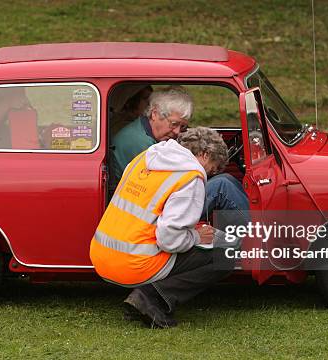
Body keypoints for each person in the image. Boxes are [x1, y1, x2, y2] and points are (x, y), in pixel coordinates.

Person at [91, 127, 235, 328]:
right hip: (134, 263)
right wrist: (196, 237)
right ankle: (150, 297)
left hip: (102, 255)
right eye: (215, 167)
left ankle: (146, 294)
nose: (212, 173)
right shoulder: (190, 177)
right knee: (226, 254)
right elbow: (168, 239)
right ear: (205, 155)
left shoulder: (146, 157)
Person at [110, 85, 249, 229]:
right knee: (222, 186)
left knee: (225, 180)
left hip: (151, 202)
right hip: (150, 214)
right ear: (155, 114)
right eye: (174, 124)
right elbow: (171, 187)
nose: (177, 132)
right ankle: (261, 236)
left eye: (182, 127)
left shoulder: (143, 132)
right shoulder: (141, 144)